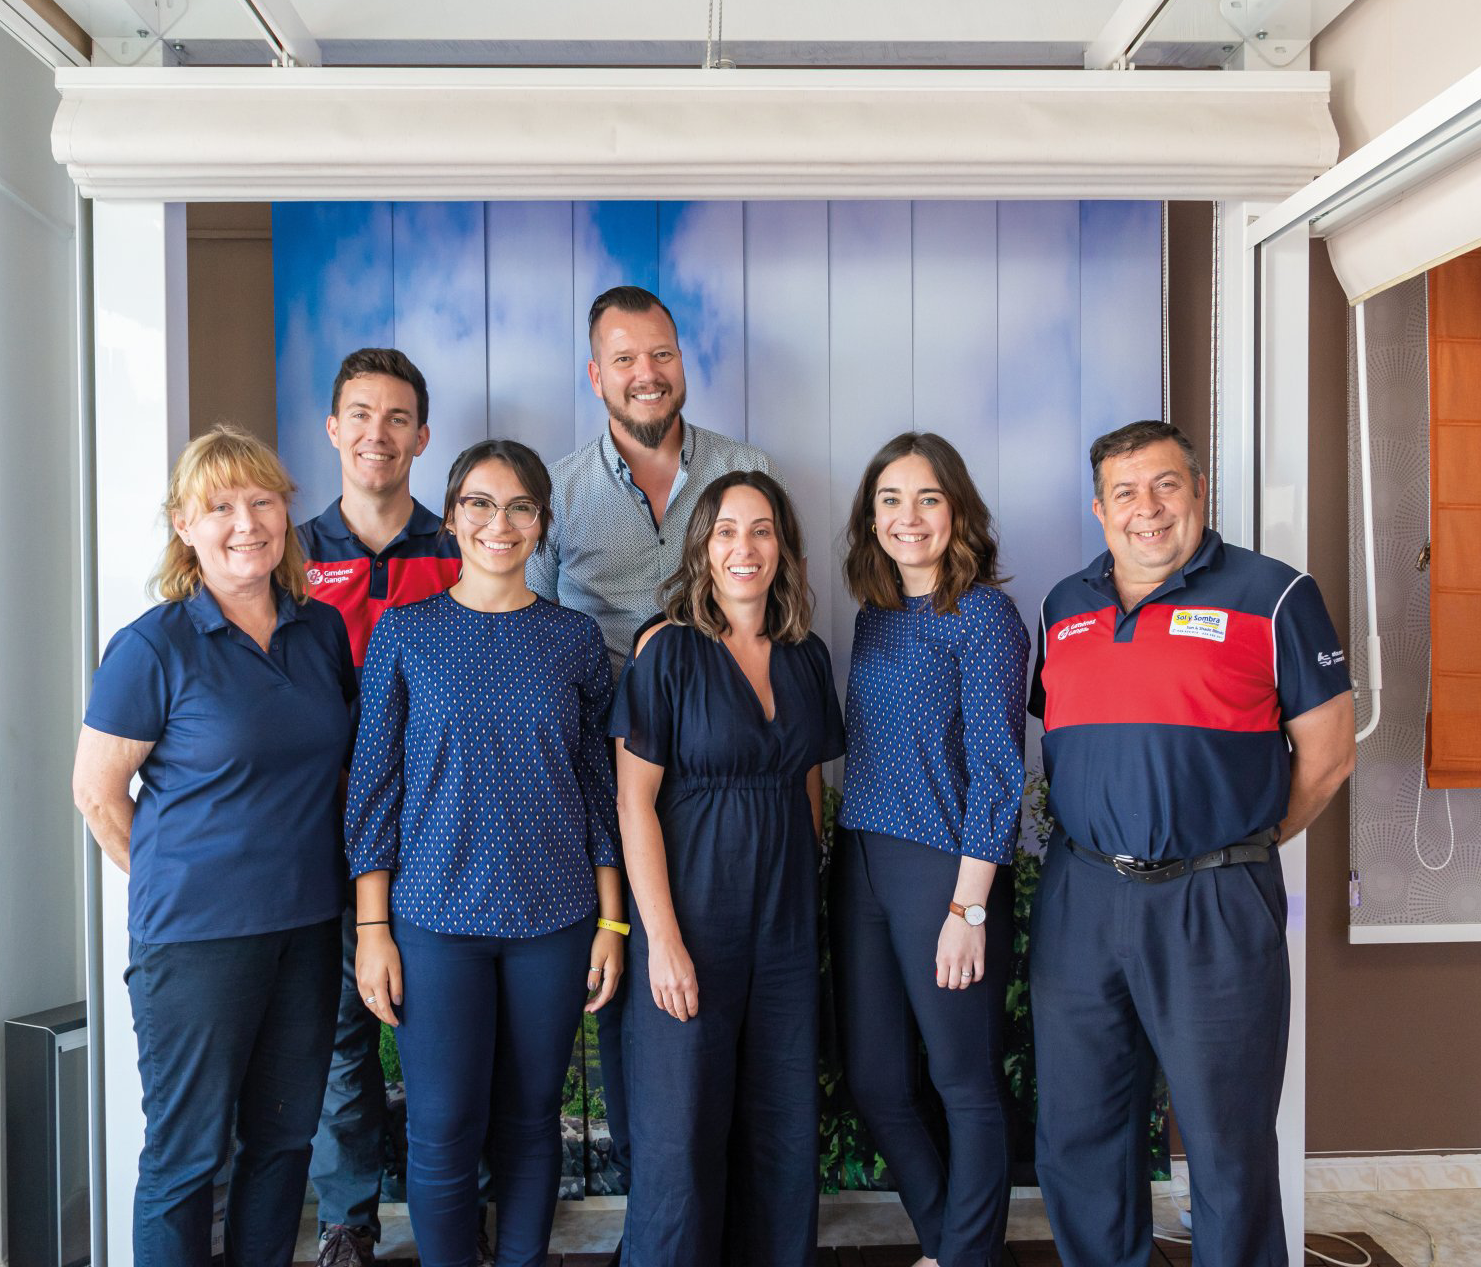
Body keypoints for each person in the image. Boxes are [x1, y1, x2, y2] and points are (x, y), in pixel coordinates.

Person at [1029, 421, 1356, 1267]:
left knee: (1225, 1140)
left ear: (1199, 491)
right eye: (1125, 492)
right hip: (1080, 895)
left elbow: (1328, 755)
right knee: (1079, 1132)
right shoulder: (1063, 606)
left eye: (1165, 484)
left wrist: (1241, 841)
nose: (1146, 507)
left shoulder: (1274, 594)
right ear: (1098, 509)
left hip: (1212, 899)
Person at [526, 285, 782, 1237]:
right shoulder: (558, 491)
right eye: (625, 359)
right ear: (596, 374)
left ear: (682, 361)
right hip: (610, 791)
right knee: (637, 1017)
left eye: (661, 354)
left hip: (728, 786)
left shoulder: (746, 470)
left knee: (736, 1026)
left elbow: (778, 612)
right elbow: (538, 633)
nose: (647, 374)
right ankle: (659, 1222)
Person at [72, 425, 357, 1267]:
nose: (245, 523)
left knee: (284, 1143)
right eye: (220, 506)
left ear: (285, 514)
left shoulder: (320, 632)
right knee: (188, 1155)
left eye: (261, 501)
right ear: (183, 525)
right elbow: (97, 792)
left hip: (308, 930)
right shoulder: (152, 646)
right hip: (196, 942)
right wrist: (178, 880)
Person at [347, 439, 626, 1267]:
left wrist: (612, 921)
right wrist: (372, 929)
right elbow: (373, 788)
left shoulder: (574, 639)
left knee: (532, 1121)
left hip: (555, 920)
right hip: (433, 921)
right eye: (478, 503)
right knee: (441, 1128)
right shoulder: (405, 634)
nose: (497, 523)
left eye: (518, 506)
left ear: (542, 522)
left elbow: (599, 788)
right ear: (451, 515)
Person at [610, 470, 843, 1267]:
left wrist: (804, 891)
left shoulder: (806, 656)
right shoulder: (666, 649)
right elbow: (633, 802)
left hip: (782, 926)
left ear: (783, 547)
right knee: (679, 1133)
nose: (745, 547)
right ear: (702, 549)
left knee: (780, 1126)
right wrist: (662, 942)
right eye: (726, 531)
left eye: (762, 530)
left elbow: (807, 780)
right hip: (692, 919)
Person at [833, 432, 1028, 1267]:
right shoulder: (874, 614)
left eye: (927, 498)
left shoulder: (982, 616)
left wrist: (966, 908)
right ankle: (952, 1242)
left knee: (963, 1082)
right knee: (876, 1081)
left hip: (945, 871)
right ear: (870, 516)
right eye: (889, 499)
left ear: (958, 511)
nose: (906, 517)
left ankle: (962, 1255)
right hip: (860, 863)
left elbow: (998, 772)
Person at [296, 348, 462, 1267]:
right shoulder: (290, 556)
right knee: (340, 1041)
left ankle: (461, 1205)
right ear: (333, 428)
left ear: (422, 436)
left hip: (440, 836)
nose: (378, 433)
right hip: (322, 837)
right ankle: (347, 1221)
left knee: (452, 1032)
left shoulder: (459, 547)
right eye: (360, 414)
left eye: (398, 417)